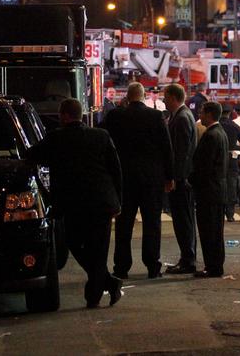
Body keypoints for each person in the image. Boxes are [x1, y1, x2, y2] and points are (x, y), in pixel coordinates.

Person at [28, 99, 123, 308]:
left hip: (73, 204)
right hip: (101, 203)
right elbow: (116, 170)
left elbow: (31, 156)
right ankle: (105, 285)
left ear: (64, 115)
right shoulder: (101, 136)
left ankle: (97, 294)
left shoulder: (56, 138)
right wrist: (117, 201)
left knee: (74, 243)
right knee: (99, 250)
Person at [104, 82, 174, 279]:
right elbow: (166, 148)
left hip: (124, 178)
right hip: (151, 179)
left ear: (127, 96)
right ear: (143, 96)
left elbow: (107, 145)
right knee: (152, 223)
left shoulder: (116, 116)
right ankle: (152, 265)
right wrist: (169, 176)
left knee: (123, 224)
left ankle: (121, 267)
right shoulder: (155, 116)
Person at [190, 101, 230, 278]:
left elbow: (204, 166)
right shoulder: (220, 133)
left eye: (202, 112)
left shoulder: (211, 135)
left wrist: (192, 180)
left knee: (209, 231)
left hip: (209, 190)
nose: (199, 115)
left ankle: (212, 267)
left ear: (209, 114)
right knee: (215, 230)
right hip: (217, 189)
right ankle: (215, 265)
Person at [163, 83, 199, 275]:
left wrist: (175, 177)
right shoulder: (181, 116)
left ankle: (188, 260)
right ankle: (187, 258)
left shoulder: (182, 118)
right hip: (182, 177)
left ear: (172, 97)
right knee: (183, 220)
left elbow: (182, 152)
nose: (163, 100)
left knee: (183, 220)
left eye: (165, 97)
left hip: (182, 178)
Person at [219, 103, 240, 222]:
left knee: (218, 183)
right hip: (232, 158)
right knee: (231, 184)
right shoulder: (234, 126)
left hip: (218, 158)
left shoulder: (216, 125)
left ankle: (219, 211)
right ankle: (230, 214)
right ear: (231, 113)